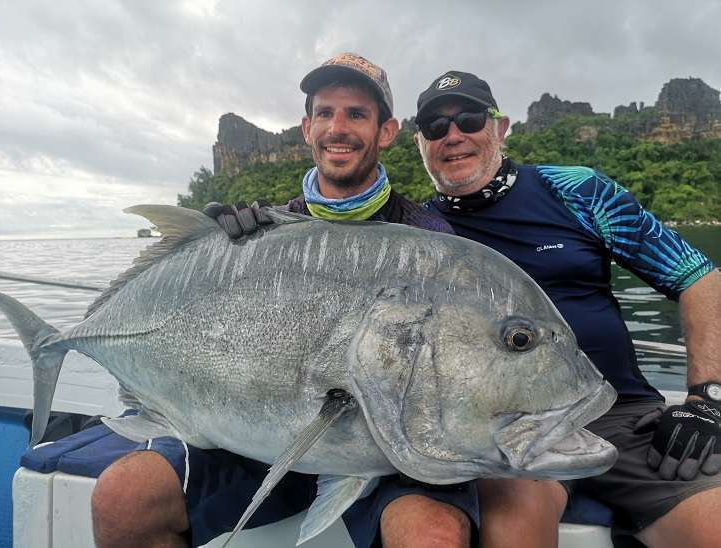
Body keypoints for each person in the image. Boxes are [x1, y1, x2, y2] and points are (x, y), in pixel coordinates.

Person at [73, 53, 479, 548]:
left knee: (432, 538)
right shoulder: (262, 233)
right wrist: (208, 255)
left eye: (357, 114)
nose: (339, 128)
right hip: (265, 440)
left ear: (387, 130)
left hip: (391, 449)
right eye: (325, 113)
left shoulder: (428, 242)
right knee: (122, 496)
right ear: (307, 128)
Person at [412, 70, 721, 547]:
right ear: (420, 143)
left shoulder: (577, 191)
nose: (453, 136)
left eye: (469, 119)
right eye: (435, 127)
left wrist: (707, 400)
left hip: (625, 414)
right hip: (508, 429)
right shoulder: (420, 234)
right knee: (512, 527)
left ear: (501, 127)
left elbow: (699, 278)